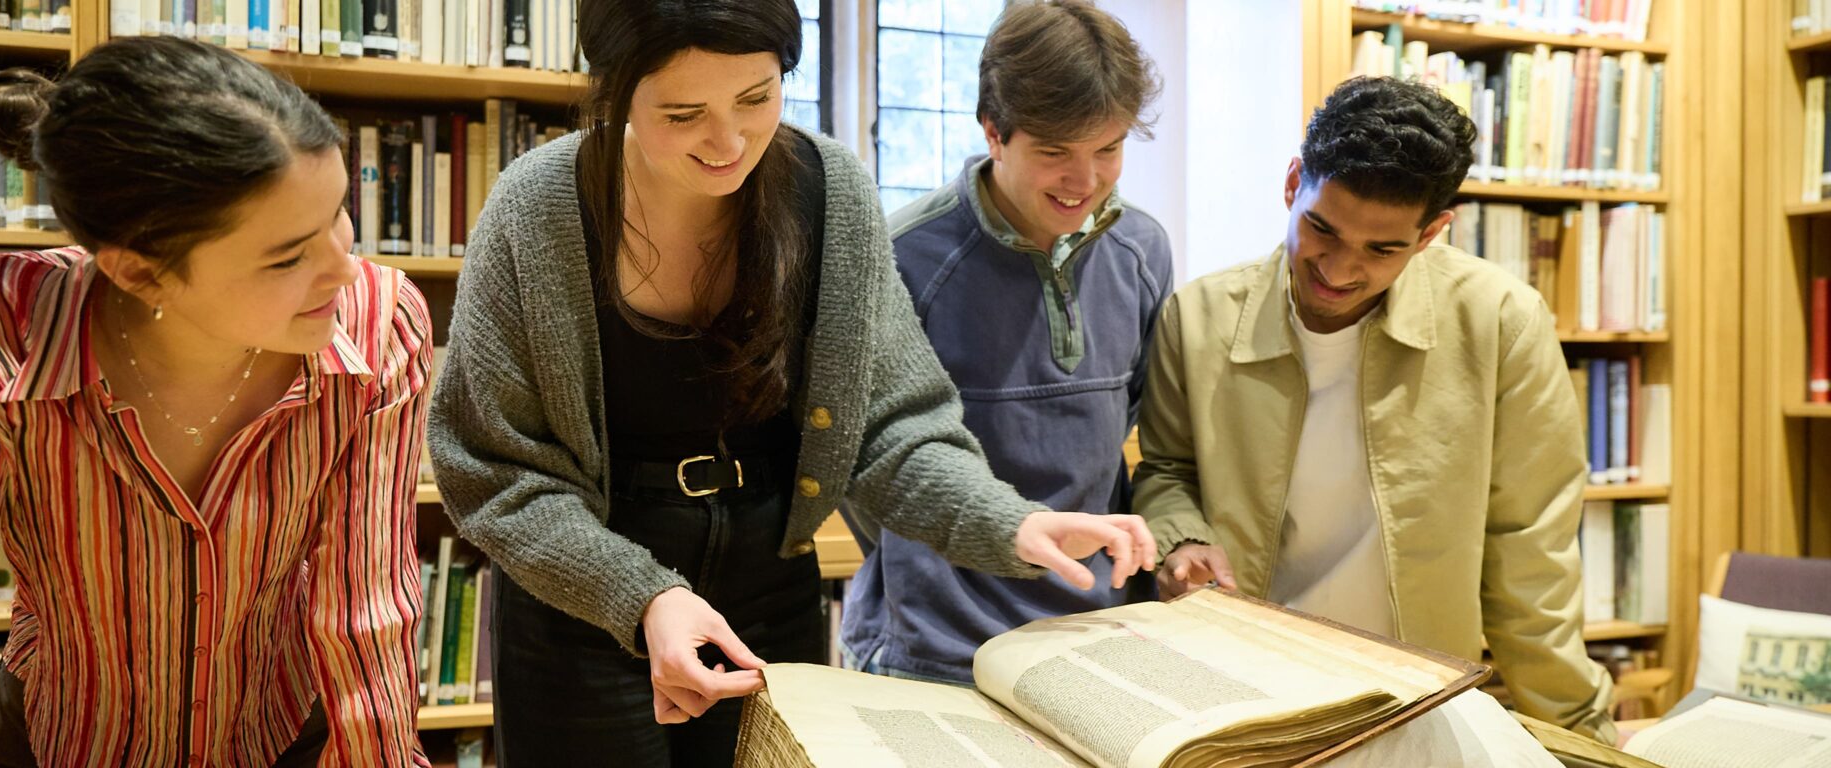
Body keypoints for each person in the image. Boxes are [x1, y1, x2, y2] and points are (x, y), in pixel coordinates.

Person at [424, 0, 1158, 764]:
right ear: (615, 93)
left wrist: (1009, 522)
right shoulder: (539, 207)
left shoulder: (828, 193)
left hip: (768, 581)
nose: (729, 141)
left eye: (756, 98)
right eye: (683, 114)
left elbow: (890, 426)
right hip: (579, 592)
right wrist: (644, 596)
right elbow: (495, 467)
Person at [0, 36, 433, 767]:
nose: (345, 270)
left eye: (339, 215)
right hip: (66, 740)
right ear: (140, 273)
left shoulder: (381, 325)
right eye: (288, 256)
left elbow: (368, 606)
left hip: (278, 735)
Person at [1134, 76, 1617, 742]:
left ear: (1431, 233)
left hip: (1415, 693)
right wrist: (1181, 537)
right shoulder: (1198, 318)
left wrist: (1577, 733)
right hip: (1245, 685)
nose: (1338, 268)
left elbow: (1530, 548)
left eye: (1381, 249)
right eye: (1321, 229)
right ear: (1293, 182)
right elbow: (1164, 469)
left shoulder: (1499, 321)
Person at [841, 0, 1173, 685]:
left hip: (1094, 632)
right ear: (994, 132)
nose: (1085, 182)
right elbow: (866, 460)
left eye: (1107, 149)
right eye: (1055, 153)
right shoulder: (902, 257)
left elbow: (1134, 422)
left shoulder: (1142, 249)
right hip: (938, 647)